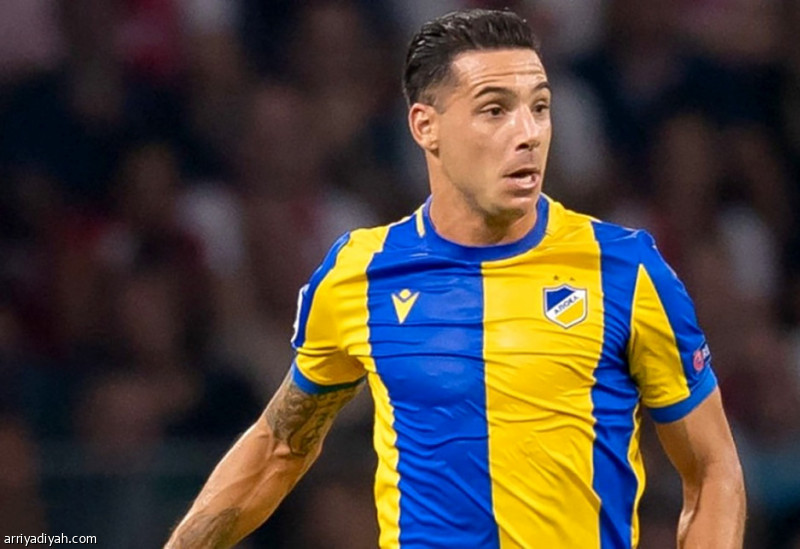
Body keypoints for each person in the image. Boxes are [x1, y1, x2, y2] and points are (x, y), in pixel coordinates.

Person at [164, 9, 746, 549]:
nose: (528, 132)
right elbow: (279, 447)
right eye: (495, 110)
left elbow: (713, 468)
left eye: (540, 107)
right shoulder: (361, 273)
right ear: (426, 126)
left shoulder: (624, 269)